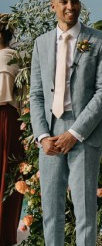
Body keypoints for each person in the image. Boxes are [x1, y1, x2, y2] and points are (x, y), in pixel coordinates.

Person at [30, 0, 102, 246]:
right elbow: (36, 94)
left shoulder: (100, 40)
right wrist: (43, 135)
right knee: (51, 211)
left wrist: (75, 133)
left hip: (84, 134)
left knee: (85, 212)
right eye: (64, 1)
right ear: (52, 6)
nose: (70, 6)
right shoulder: (41, 43)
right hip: (50, 134)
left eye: (75, 1)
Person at [0, 14, 24, 246]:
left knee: (5, 173)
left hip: (5, 119)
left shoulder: (9, 57)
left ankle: (3, 232)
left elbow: (8, 96)